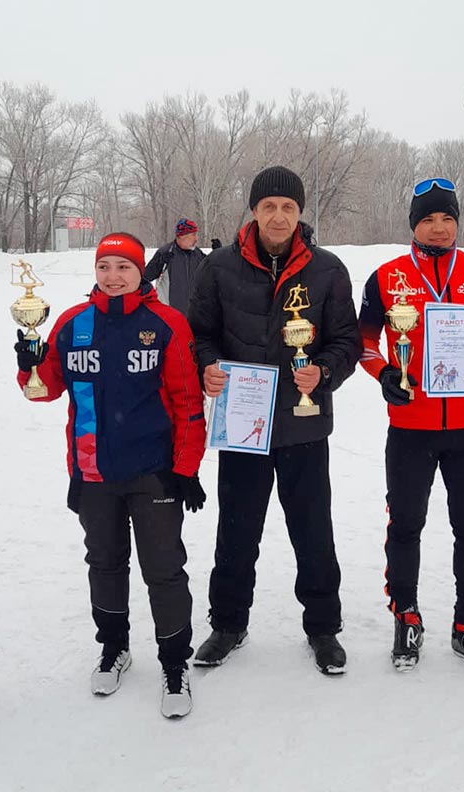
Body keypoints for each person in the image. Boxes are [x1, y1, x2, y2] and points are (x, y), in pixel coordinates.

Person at [14, 232, 206, 719]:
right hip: (93, 472)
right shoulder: (71, 323)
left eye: (124, 267)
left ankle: (173, 662)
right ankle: (114, 647)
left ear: (141, 272)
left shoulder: (166, 323)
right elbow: (45, 392)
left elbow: (187, 402)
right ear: (95, 272)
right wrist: (29, 368)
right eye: (106, 267)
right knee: (104, 563)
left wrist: (186, 469)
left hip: (154, 472)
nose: (114, 276)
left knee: (163, 569)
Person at [188, 165, 363, 675]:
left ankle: (323, 628)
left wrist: (325, 371)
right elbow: (201, 333)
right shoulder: (219, 267)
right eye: (270, 206)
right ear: (254, 211)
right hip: (243, 424)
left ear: (300, 213)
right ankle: (227, 623)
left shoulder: (328, 269)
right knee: (237, 531)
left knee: (313, 530)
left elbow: (346, 340)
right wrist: (207, 366)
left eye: (288, 207)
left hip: (304, 424)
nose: (279, 216)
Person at [358, 178, 464, 680]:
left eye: (447, 218)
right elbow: (363, 343)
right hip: (411, 426)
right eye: (429, 219)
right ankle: (406, 615)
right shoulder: (386, 278)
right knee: (405, 525)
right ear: (413, 224)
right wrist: (384, 373)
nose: (439, 228)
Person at [143, 218, 207, 314]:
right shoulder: (166, 252)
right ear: (182, 236)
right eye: (193, 235)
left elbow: (211, 271)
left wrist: (217, 254)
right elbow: (146, 277)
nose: (196, 239)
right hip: (170, 313)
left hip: (194, 314)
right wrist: (159, 263)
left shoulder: (197, 253)